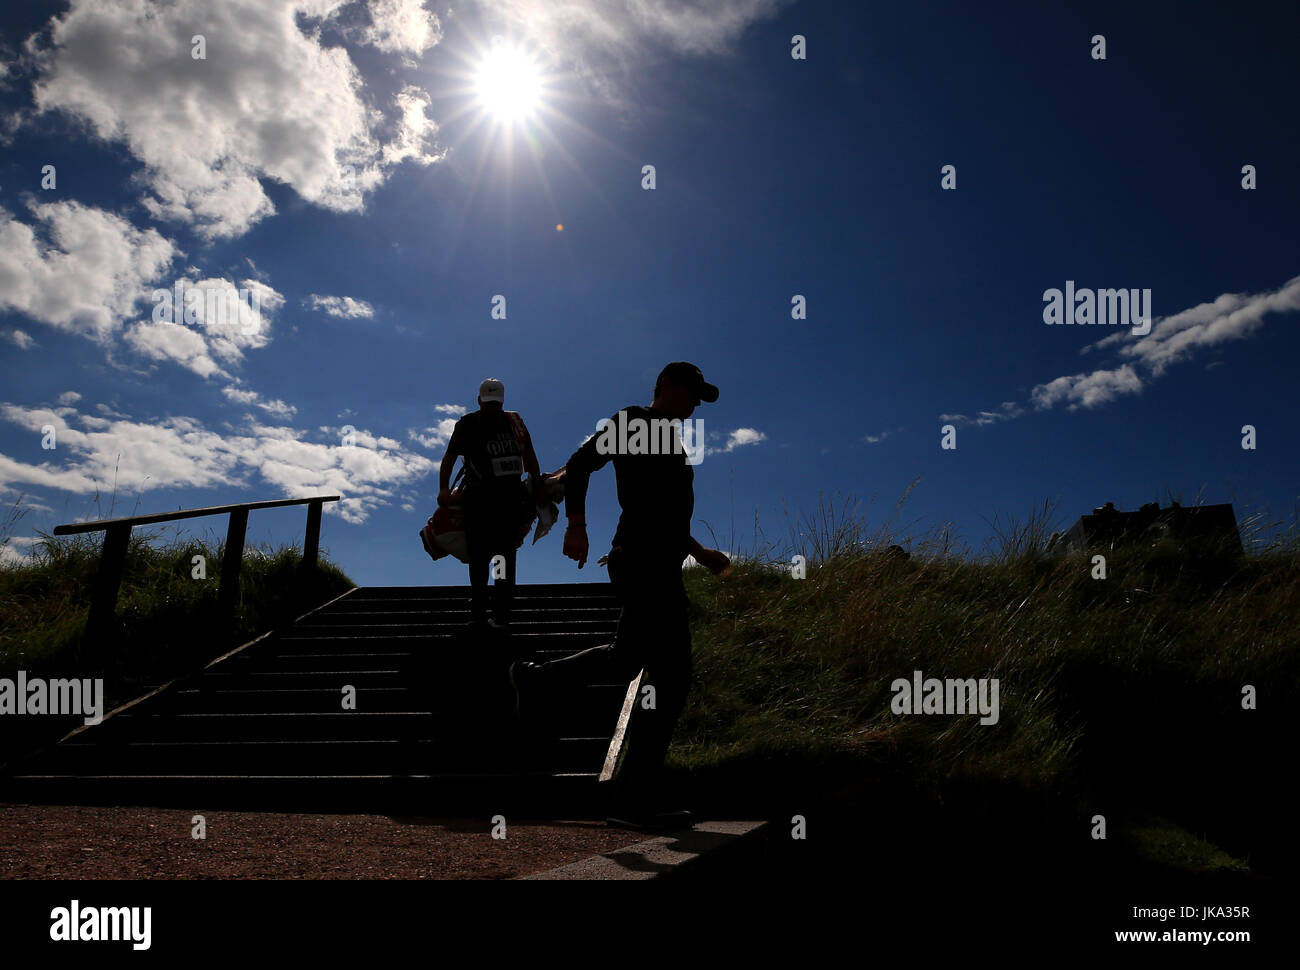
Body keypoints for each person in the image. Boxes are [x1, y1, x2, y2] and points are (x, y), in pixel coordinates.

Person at [509, 362, 730, 828]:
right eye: (691, 393)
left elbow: (665, 512)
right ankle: (633, 798)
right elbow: (583, 464)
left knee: (625, 660)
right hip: (640, 562)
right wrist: (576, 526)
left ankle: (536, 680)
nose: (694, 405)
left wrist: (699, 551)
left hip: (662, 563)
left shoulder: (671, 442)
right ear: (666, 386)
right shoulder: (633, 422)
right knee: (672, 675)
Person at [438, 379, 543, 629]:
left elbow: (529, 456)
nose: (492, 408)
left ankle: (499, 613)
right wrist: (443, 488)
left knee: (499, 557)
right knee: (485, 557)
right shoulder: (468, 424)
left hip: (506, 501)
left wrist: (537, 486)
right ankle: (482, 613)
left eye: (494, 404)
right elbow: (450, 457)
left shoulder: (514, 422)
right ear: (481, 401)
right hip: (482, 499)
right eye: (489, 404)